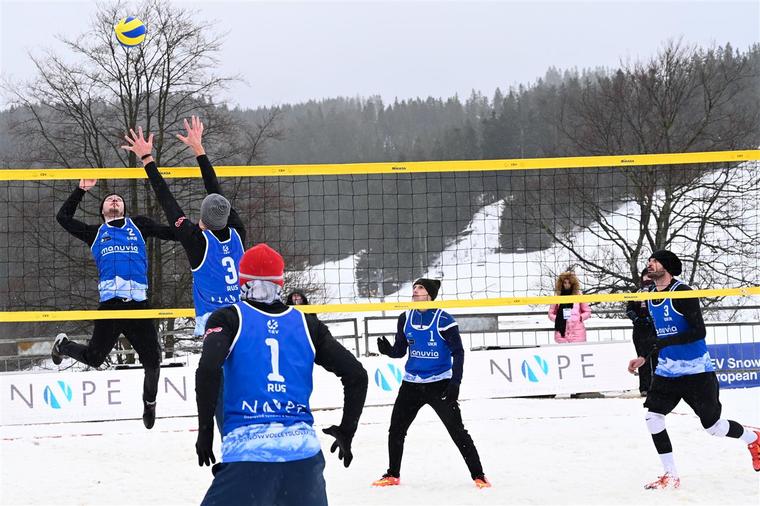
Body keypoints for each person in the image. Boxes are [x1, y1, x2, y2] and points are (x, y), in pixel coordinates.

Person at [195, 243, 368, 506]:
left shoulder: (227, 318)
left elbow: (208, 370)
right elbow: (357, 375)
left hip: (248, 457)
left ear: (242, 281)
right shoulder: (308, 324)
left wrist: (205, 431)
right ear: (280, 281)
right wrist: (347, 430)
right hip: (303, 460)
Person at [627, 250, 760, 489]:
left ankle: (753, 438)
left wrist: (665, 343)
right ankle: (671, 475)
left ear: (666, 266)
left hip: (697, 370)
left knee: (714, 427)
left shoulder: (684, 292)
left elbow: (699, 331)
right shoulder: (648, 295)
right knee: (653, 417)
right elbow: (657, 334)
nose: (649, 265)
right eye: (648, 262)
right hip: (668, 370)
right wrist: (643, 357)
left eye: (654, 261)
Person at [53, 179, 177, 429]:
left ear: (123, 208)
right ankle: (63, 345)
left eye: (118, 199)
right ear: (102, 210)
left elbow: (169, 233)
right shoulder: (95, 233)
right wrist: (80, 190)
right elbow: (63, 217)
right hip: (110, 307)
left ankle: (149, 403)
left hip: (138, 307)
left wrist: (197, 230)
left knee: (153, 363)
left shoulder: (138, 225)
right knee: (94, 358)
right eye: (109, 199)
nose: (114, 200)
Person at [121, 118, 246, 337]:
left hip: (213, 320)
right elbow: (214, 191)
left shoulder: (197, 241)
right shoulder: (237, 231)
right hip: (242, 316)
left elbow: (167, 199)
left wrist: (147, 157)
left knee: (215, 369)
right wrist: (198, 148)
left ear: (202, 218)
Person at [372, 278, 491, 489]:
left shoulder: (444, 320)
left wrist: (455, 383)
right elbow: (400, 351)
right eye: (414, 288)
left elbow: (459, 353)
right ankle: (392, 474)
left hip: (440, 384)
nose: (415, 291)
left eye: (420, 288)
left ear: (430, 294)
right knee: (396, 429)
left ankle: (479, 475)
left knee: (457, 431)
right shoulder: (405, 317)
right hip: (411, 384)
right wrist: (388, 350)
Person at [626, 268, 658, 396]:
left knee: (656, 359)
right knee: (641, 359)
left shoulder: (657, 292)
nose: (647, 279)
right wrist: (637, 319)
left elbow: (658, 309)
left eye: (650, 276)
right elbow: (629, 310)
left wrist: (651, 319)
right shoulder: (635, 292)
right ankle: (644, 388)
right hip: (639, 331)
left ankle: (656, 387)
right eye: (645, 276)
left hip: (654, 330)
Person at [548, 271, 591, 343]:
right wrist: (558, 318)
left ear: (573, 283)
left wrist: (580, 317)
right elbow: (550, 314)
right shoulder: (557, 296)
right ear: (561, 283)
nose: (567, 285)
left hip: (577, 333)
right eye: (565, 283)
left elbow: (587, 311)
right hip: (562, 333)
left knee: (578, 352)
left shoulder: (579, 295)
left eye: (569, 283)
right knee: (563, 352)